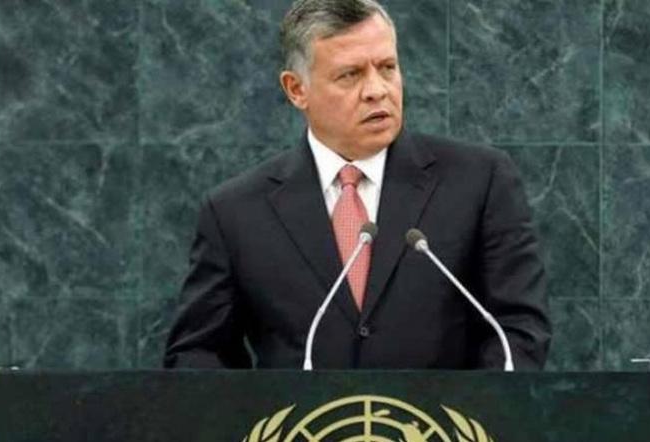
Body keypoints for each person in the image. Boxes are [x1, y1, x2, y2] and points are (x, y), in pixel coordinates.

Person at [163, 0, 551, 370]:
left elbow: (517, 330)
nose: (377, 90)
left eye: (387, 67)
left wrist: (473, 413)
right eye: (350, 75)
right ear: (297, 89)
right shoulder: (236, 212)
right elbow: (198, 353)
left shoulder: (479, 181)